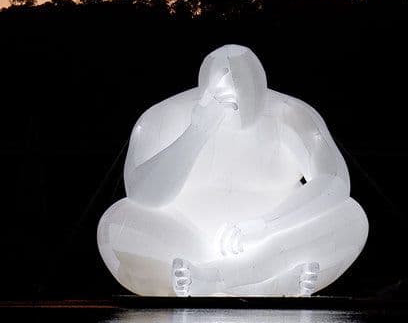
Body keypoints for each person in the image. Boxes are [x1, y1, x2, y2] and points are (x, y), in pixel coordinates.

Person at [96, 44, 368, 297]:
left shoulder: (293, 115)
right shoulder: (163, 116)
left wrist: (266, 226)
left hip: (272, 245)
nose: (237, 100)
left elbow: (333, 181)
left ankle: (229, 277)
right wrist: (197, 131)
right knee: (117, 222)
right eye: (227, 93)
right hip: (185, 245)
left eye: (247, 92)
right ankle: (263, 284)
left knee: (351, 216)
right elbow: (142, 195)